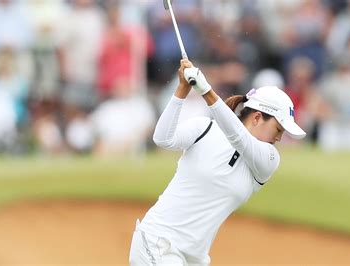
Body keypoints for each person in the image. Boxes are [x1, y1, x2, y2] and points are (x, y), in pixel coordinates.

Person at [129, 59, 306, 265]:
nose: (279, 138)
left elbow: (239, 137)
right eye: (278, 129)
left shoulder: (269, 159)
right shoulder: (205, 128)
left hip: (194, 258)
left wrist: (206, 90)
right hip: (158, 241)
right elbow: (162, 139)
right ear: (257, 117)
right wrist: (182, 90)